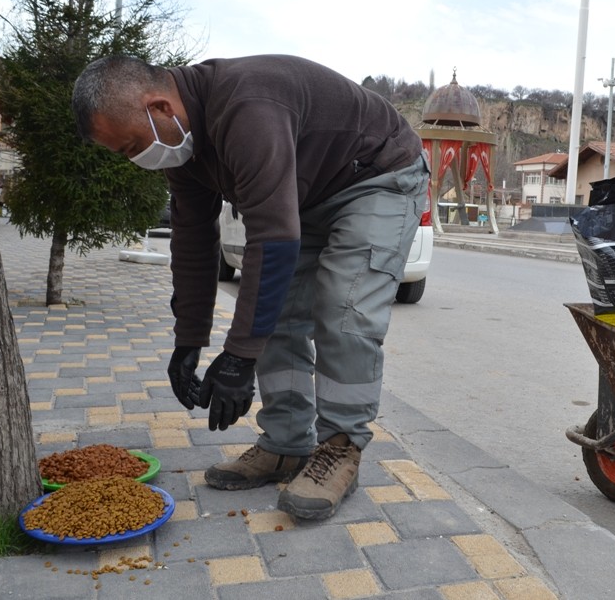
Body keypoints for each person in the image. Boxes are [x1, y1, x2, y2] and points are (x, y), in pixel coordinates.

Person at [72, 54, 429, 520]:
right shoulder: (184, 146)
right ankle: (286, 444)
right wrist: (189, 341)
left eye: (132, 146)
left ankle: (340, 448)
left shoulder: (248, 106)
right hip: (310, 192)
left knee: (344, 309)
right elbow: (193, 241)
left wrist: (239, 357)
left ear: (160, 108)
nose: (136, 160)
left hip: (376, 176)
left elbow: (273, 238)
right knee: (273, 313)